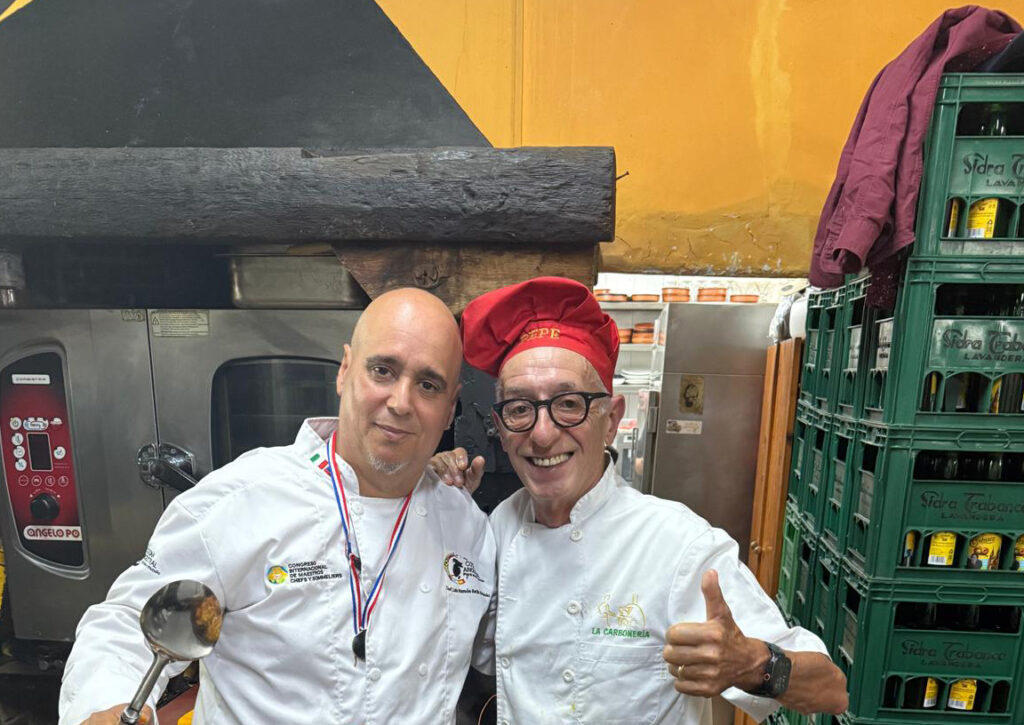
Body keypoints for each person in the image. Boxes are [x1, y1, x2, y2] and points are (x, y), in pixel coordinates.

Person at [60, 288, 495, 725]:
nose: (400, 402)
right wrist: (105, 704)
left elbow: (507, 647)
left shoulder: (467, 526)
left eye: (428, 385)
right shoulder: (243, 498)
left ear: (449, 408)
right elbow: (128, 624)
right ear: (345, 371)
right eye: (382, 370)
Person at [431, 277, 848, 724]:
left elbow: (831, 690)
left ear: (611, 420)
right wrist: (436, 509)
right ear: (500, 427)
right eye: (519, 409)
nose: (543, 433)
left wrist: (753, 663)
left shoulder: (675, 544)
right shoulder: (500, 527)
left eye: (569, 404)